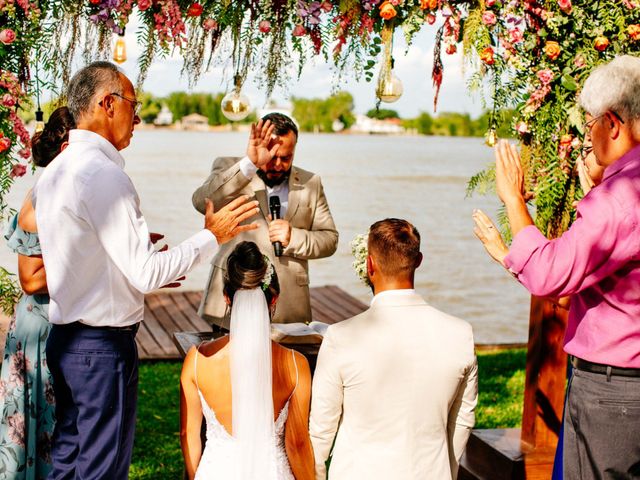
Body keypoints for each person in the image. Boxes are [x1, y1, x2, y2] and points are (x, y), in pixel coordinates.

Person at [33, 61, 259, 479]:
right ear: (107, 104)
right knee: (101, 469)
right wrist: (211, 234)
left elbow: (79, 253)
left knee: (66, 460)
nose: (138, 119)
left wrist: (143, 258)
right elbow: (146, 275)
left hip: (65, 341)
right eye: (134, 107)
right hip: (101, 350)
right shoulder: (103, 175)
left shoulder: (55, 171)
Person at [473, 55, 640, 480]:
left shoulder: (621, 199)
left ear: (613, 124)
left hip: (616, 390)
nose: (589, 135)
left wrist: (512, 199)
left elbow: (551, 275)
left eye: (590, 125)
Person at [310, 218, 478, 480]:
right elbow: (461, 423)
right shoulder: (460, 334)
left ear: (369, 265)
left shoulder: (341, 338)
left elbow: (321, 431)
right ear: (418, 260)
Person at [180, 241, 314, 480]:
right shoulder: (296, 365)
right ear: (274, 300)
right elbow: (297, 443)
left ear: (226, 298)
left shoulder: (197, 361)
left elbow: (188, 434)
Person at [192, 113, 338, 329]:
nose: (278, 165)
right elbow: (201, 202)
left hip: (289, 306)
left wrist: (293, 237)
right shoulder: (230, 167)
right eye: (272, 157)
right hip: (232, 298)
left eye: (286, 158)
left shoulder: (311, 182)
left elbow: (330, 239)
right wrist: (249, 165)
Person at [0, 107, 74, 479]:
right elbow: (30, 279)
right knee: (39, 428)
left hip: (52, 321)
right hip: (39, 328)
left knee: (51, 427)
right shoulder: (45, 193)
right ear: (66, 146)